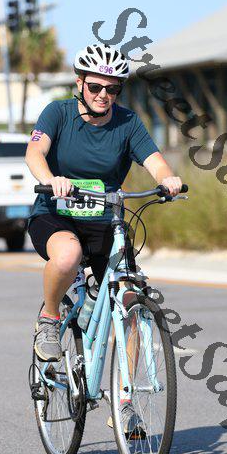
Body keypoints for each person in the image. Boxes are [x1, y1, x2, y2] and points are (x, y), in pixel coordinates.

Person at [26, 42, 182, 362]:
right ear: (79, 82)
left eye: (112, 89)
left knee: (130, 296)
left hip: (104, 219)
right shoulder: (58, 113)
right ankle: (49, 318)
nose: (103, 95)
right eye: (95, 86)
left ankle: (127, 391)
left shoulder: (127, 122)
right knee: (68, 256)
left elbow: (155, 161)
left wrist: (168, 179)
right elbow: (35, 152)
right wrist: (50, 180)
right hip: (56, 215)